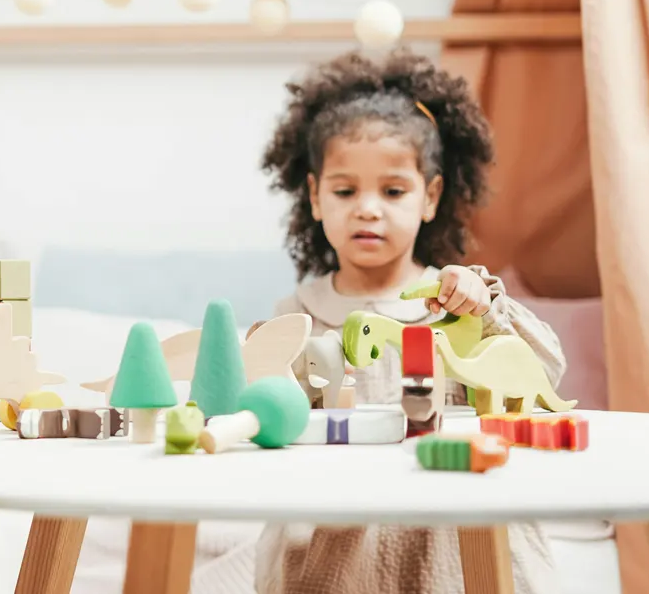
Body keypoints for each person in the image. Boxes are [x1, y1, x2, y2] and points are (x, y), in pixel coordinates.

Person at [196, 49, 566, 594]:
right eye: (346, 191)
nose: (368, 209)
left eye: (393, 191)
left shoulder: (455, 297)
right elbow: (267, 417)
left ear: (429, 197)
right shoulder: (296, 313)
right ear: (316, 197)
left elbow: (542, 373)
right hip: (334, 529)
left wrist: (486, 308)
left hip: (446, 525)